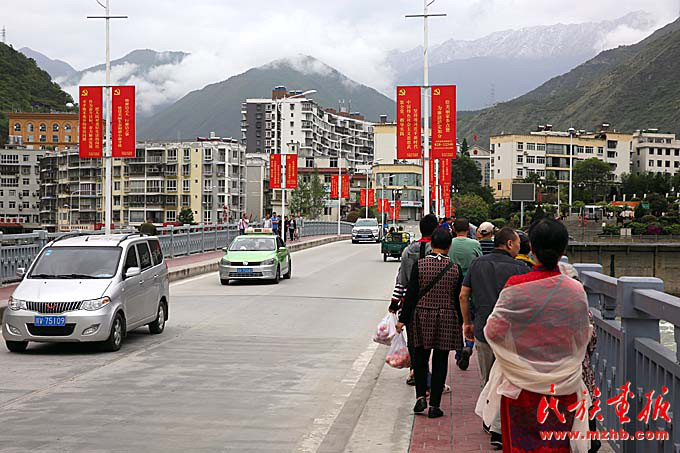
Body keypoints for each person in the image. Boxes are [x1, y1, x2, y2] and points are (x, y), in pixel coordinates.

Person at [475, 219, 591, 452]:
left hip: (520, 387)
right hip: (562, 386)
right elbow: (582, 335)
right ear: (563, 250)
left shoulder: (516, 285)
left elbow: (492, 331)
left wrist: (515, 350)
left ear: (532, 249)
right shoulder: (575, 290)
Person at [460, 227, 529, 448]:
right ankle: (500, 427)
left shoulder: (477, 264)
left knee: (487, 378)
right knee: (508, 379)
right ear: (509, 244)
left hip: (483, 329)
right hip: (511, 334)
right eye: (517, 243)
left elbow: (463, 294)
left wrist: (467, 322)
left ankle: (488, 420)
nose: (518, 247)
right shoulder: (520, 268)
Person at [396, 227, 462, 419]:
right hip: (446, 318)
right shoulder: (455, 269)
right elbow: (458, 298)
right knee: (441, 361)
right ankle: (435, 405)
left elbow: (411, 295)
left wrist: (402, 320)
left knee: (420, 359)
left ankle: (420, 397)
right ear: (449, 246)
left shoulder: (420, 265)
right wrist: (462, 322)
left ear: (431, 244)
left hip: (421, 316)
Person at [389, 214, 438, 387]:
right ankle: (424, 373)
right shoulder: (438, 251)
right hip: (433, 303)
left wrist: (394, 303)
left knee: (413, 339)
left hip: (409, 303)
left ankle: (415, 370)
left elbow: (401, 280)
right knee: (430, 340)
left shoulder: (408, 250)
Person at [448, 217, 482, 370]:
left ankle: (459, 351)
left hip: (452, 286)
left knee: (457, 322)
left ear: (453, 229)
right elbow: (480, 263)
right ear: (468, 229)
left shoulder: (449, 244)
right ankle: (469, 345)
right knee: (471, 319)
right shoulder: (475, 244)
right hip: (470, 287)